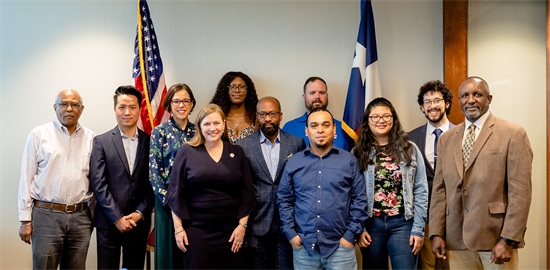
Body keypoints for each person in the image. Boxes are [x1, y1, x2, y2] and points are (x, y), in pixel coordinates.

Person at [430, 76, 533, 269]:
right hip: (456, 238)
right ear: (458, 101)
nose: (470, 100)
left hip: (496, 240)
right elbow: (439, 191)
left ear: (489, 98)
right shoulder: (447, 139)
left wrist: (508, 240)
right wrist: (437, 233)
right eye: (464, 96)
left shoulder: (513, 134)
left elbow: (520, 193)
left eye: (477, 94)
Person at [165, 104, 257, 269]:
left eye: (216, 123)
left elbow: (247, 193)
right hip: (197, 233)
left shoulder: (237, 152)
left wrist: (242, 227)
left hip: (231, 233)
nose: (212, 128)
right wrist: (178, 229)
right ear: (199, 127)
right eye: (206, 124)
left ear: (223, 124)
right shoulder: (186, 151)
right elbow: (176, 193)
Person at [277, 107, 367, 270]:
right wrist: (291, 234)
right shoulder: (294, 162)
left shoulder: (349, 161)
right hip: (304, 249)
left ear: (334, 129)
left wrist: (350, 235)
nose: (320, 130)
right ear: (306, 130)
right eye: (314, 125)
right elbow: (284, 200)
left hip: (341, 248)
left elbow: (360, 200)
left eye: (326, 125)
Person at [18, 89, 95, 270]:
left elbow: (97, 179)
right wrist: (25, 220)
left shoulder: (92, 138)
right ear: (55, 107)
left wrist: (91, 214)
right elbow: (26, 178)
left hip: (81, 217)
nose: (69, 109)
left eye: (74, 105)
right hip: (46, 215)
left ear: (81, 109)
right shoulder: (39, 135)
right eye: (63, 104)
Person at [353, 97, 428, 270]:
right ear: (367, 121)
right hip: (371, 224)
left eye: (386, 116)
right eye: (375, 117)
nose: (381, 120)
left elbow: (421, 190)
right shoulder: (357, 153)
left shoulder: (410, 149)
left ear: (393, 119)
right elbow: (353, 194)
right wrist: (359, 228)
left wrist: (418, 228)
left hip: (403, 223)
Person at [236, 97, 306, 270]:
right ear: (256, 117)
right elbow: (241, 188)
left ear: (280, 115)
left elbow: (301, 183)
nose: (267, 118)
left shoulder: (297, 143)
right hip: (257, 221)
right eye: (262, 114)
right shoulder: (243, 146)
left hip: (289, 222)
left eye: (272, 114)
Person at [90, 85, 154, 270]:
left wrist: (141, 213)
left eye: (132, 107)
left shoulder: (150, 141)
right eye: (122, 107)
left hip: (138, 222)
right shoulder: (101, 141)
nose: (127, 112)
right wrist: (117, 218)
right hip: (109, 222)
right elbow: (98, 183)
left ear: (139, 109)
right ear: (115, 109)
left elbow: (153, 183)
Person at [149, 83, 197, 270]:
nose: (181, 105)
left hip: (195, 204)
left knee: (191, 254)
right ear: (169, 105)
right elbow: (154, 174)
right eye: (176, 101)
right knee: (168, 257)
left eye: (186, 101)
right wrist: (171, 202)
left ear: (192, 104)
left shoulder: (199, 131)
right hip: (167, 204)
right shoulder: (159, 132)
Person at [408, 80, 454, 270]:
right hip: (424, 216)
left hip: (455, 217)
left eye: (437, 100)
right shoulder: (410, 138)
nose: (432, 105)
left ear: (447, 103)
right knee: (426, 267)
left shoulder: (461, 135)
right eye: (427, 102)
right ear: (422, 107)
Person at [282, 76, 352, 150]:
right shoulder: (289, 128)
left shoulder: (343, 128)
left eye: (322, 93)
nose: (317, 97)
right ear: (304, 97)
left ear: (327, 96)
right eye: (312, 93)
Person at [210, 71, 258, 144]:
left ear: (248, 90)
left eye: (242, 87)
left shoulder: (256, 117)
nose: (237, 90)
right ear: (226, 90)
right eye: (232, 87)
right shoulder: (217, 117)